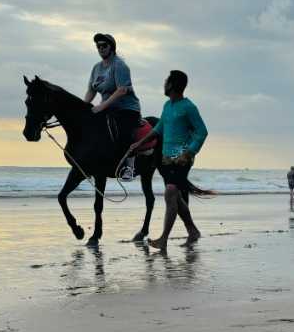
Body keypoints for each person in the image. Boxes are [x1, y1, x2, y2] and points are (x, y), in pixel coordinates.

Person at [128, 70, 207, 251]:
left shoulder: (189, 107)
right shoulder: (167, 106)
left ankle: (163, 239)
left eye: (166, 81)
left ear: (172, 85)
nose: (164, 84)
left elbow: (202, 132)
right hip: (166, 158)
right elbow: (158, 129)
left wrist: (189, 152)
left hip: (182, 159)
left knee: (170, 191)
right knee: (176, 197)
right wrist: (139, 143)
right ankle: (192, 230)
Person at [84, 33, 141, 180]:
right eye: (98, 46)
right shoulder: (96, 68)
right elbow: (91, 90)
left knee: (123, 130)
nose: (101, 48)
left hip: (127, 108)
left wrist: (101, 106)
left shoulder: (120, 65)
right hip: (107, 108)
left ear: (112, 47)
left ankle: (129, 166)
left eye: (104, 46)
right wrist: (83, 107)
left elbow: (121, 90)